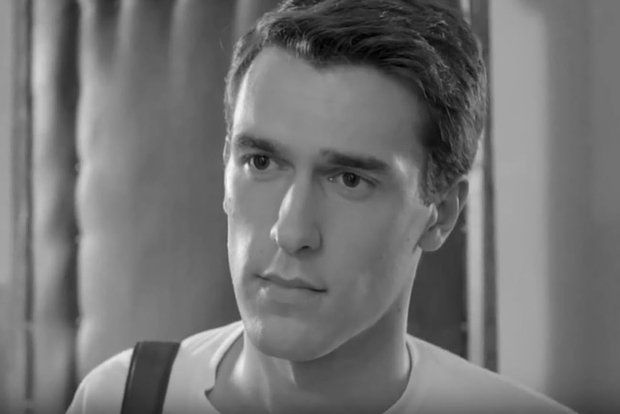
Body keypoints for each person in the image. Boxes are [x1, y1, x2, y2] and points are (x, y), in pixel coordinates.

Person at [67, 0, 575, 413]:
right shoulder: (120, 398)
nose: (291, 232)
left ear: (440, 213)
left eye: (350, 179)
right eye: (262, 162)